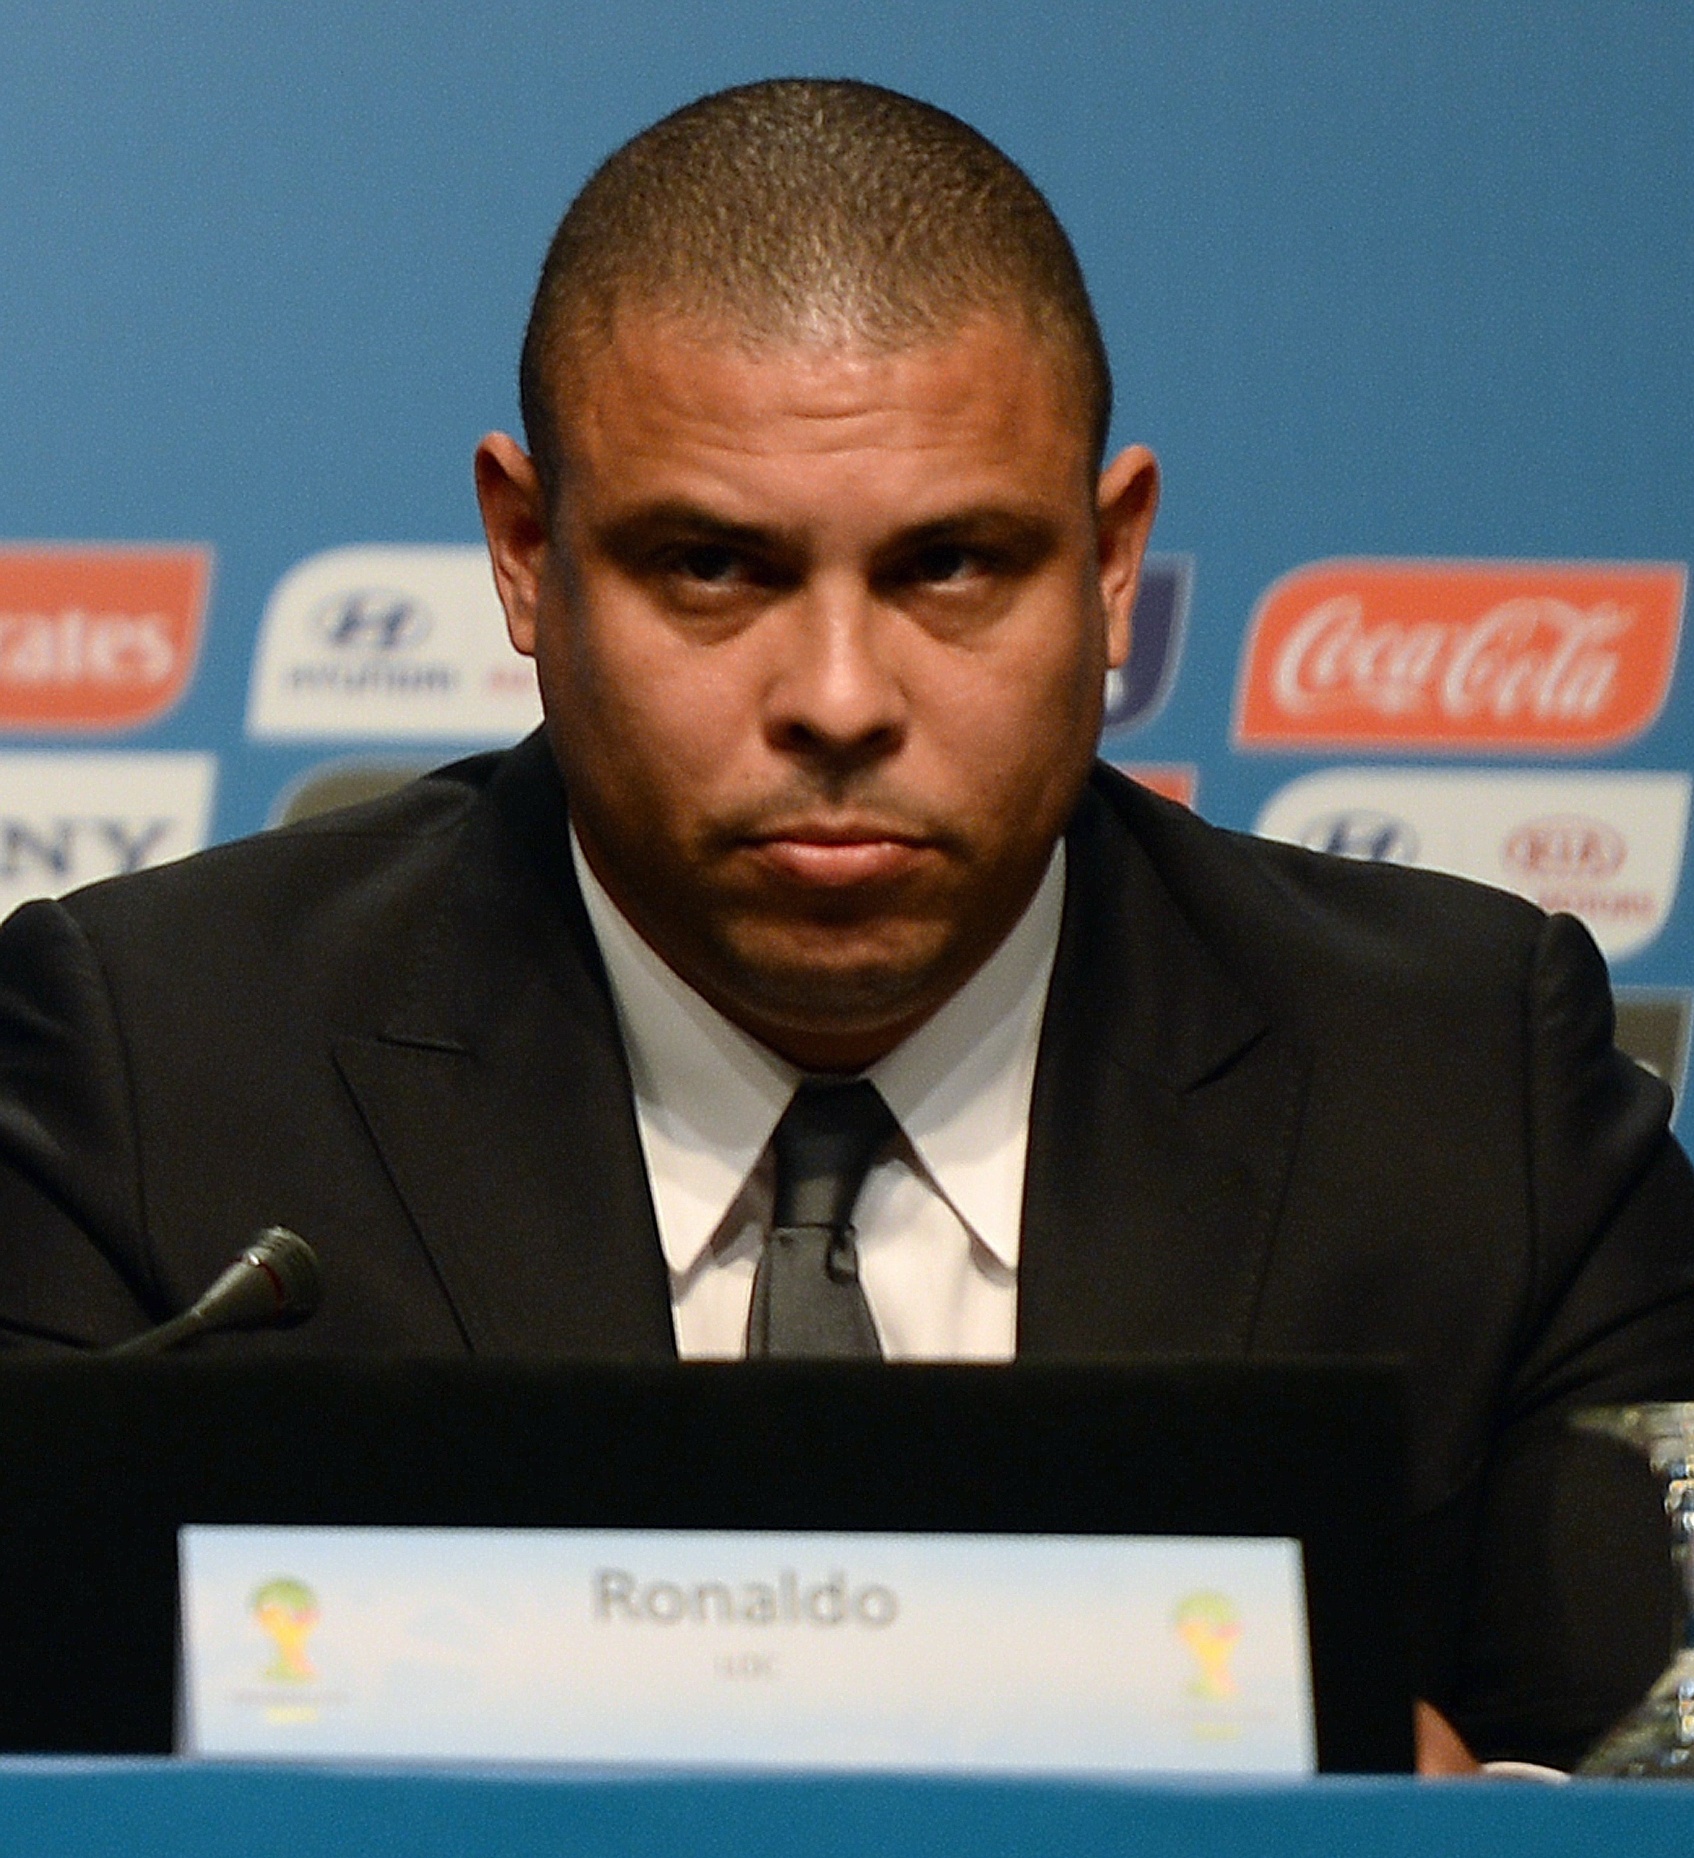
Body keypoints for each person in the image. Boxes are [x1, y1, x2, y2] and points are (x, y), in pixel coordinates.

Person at [1, 79, 1691, 1769]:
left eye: (952, 565)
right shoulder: (157, 1077)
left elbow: (1644, 1786)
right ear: (526, 554)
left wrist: (1479, 1844)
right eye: (712, 569)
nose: (835, 699)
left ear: (1111, 568)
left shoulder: (1468, 1085)